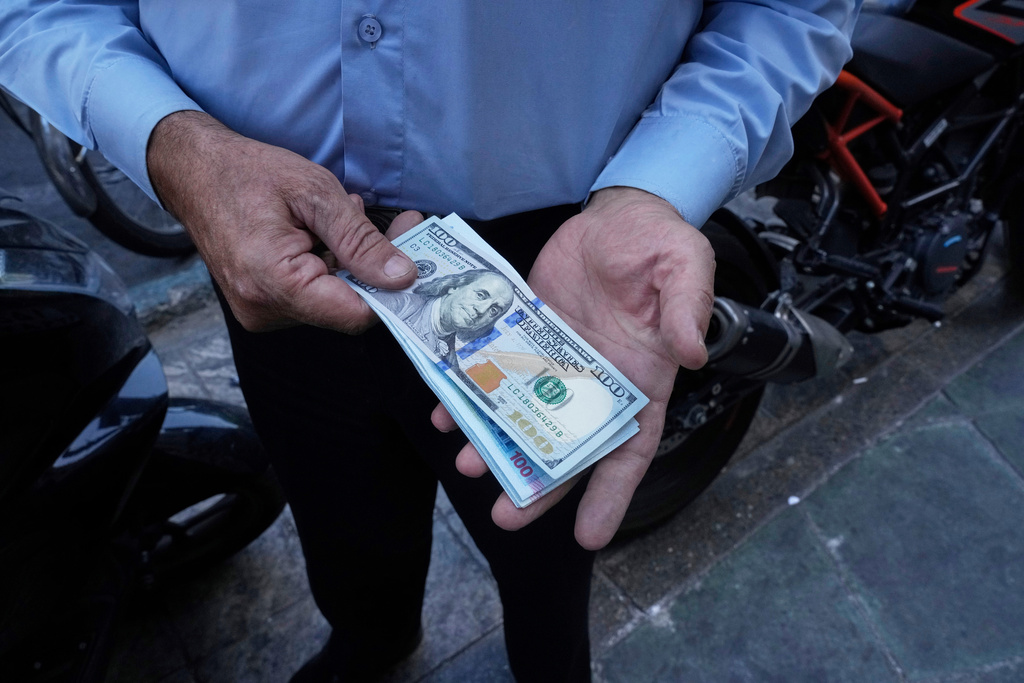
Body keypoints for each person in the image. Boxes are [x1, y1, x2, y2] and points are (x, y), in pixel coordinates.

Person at [0, 2, 860, 680]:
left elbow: (791, 7)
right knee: (338, 517)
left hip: (568, 256)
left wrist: (658, 186)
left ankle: (549, 670)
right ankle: (371, 641)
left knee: (546, 555)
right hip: (269, 243)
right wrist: (170, 142)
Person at [373, 268, 515, 367]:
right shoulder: (397, 305)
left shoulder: (451, 362)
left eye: (494, 310)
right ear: (455, 287)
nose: (481, 310)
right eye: (480, 295)